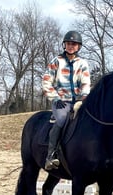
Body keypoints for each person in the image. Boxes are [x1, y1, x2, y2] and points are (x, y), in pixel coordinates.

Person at [42, 30, 91, 170]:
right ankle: (50, 155)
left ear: (79, 46)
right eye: (69, 43)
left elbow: (86, 83)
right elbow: (46, 81)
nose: (71, 46)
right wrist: (55, 97)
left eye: (74, 44)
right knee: (62, 120)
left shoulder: (82, 63)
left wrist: (83, 98)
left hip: (78, 101)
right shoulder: (56, 61)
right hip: (61, 101)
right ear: (65, 45)